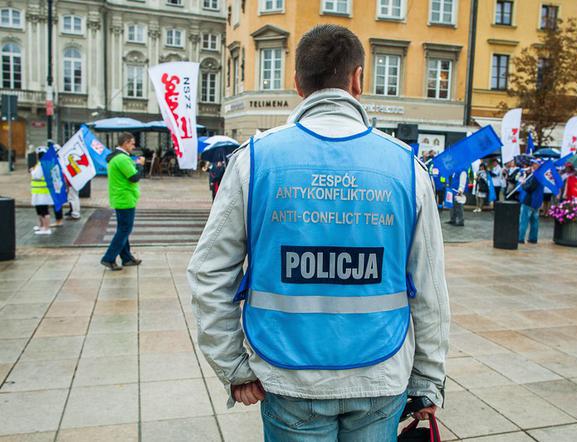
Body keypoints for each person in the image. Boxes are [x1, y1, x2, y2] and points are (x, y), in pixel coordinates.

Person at [188, 24, 450, 442]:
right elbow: (430, 288)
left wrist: (232, 365)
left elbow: (208, 272)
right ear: (358, 79)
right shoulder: (407, 168)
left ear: (297, 83)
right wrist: (428, 380)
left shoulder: (253, 161)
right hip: (380, 374)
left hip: (288, 373)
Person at [100, 132, 144, 271]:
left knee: (123, 229)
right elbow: (134, 177)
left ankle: (126, 258)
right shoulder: (122, 159)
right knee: (124, 230)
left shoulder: (117, 158)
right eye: (132, 143)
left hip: (121, 197)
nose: (134, 146)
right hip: (125, 198)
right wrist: (140, 165)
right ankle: (109, 258)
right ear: (125, 143)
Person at [518, 160, 544, 244]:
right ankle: (533, 238)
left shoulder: (536, 176)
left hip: (530, 200)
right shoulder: (540, 175)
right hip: (536, 201)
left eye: (534, 164)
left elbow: (530, 188)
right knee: (534, 221)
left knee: (524, 220)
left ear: (538, 165)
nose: (532, 165)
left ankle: (520, 238)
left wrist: (523, 184)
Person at [30, 147, 54, 235]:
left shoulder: (42, 164)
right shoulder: (44, 163)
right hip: (40, 191)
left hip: (42, 191)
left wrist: (32, 171)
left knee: (44, 210)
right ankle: (42, 226)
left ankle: (46, 228)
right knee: (40, 210)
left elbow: (37, 175)